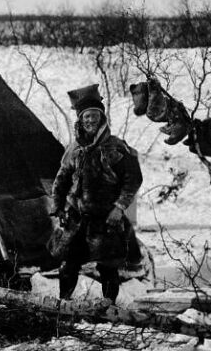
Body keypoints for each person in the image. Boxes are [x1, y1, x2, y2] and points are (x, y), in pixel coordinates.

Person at [51, 84, 143, 303]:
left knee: (108, 267)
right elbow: (61, 179)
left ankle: (108, 306)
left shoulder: (116, 147)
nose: (89, 121)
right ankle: (64, 304)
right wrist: (58, 206)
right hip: (77, 219)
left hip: (106, 220)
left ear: (101, 119)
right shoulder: (74, 149)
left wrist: (119, 208)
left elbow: (133, 179)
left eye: (93, 116)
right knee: (68, 264)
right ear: (80, 121)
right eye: (85, 118)